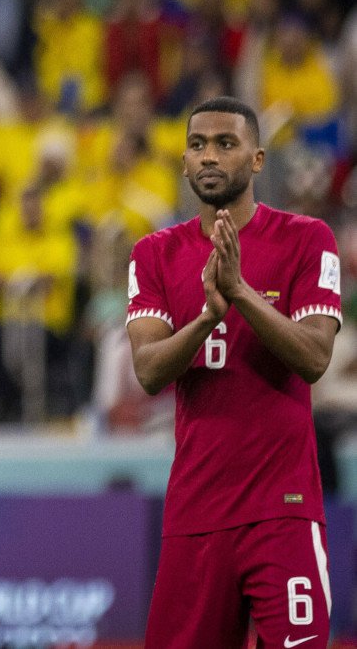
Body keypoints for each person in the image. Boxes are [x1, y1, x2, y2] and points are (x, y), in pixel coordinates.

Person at [126, 96, 339, 648]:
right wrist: (206, 319)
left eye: (226, 144)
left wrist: (240, 292)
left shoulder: (307, 239)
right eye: (197, 145)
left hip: (282, 509)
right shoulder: (154, 253)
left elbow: (315, 358)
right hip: (196, 510)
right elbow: (148, 371)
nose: (209, 156)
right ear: (183, 162)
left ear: (258, 159)